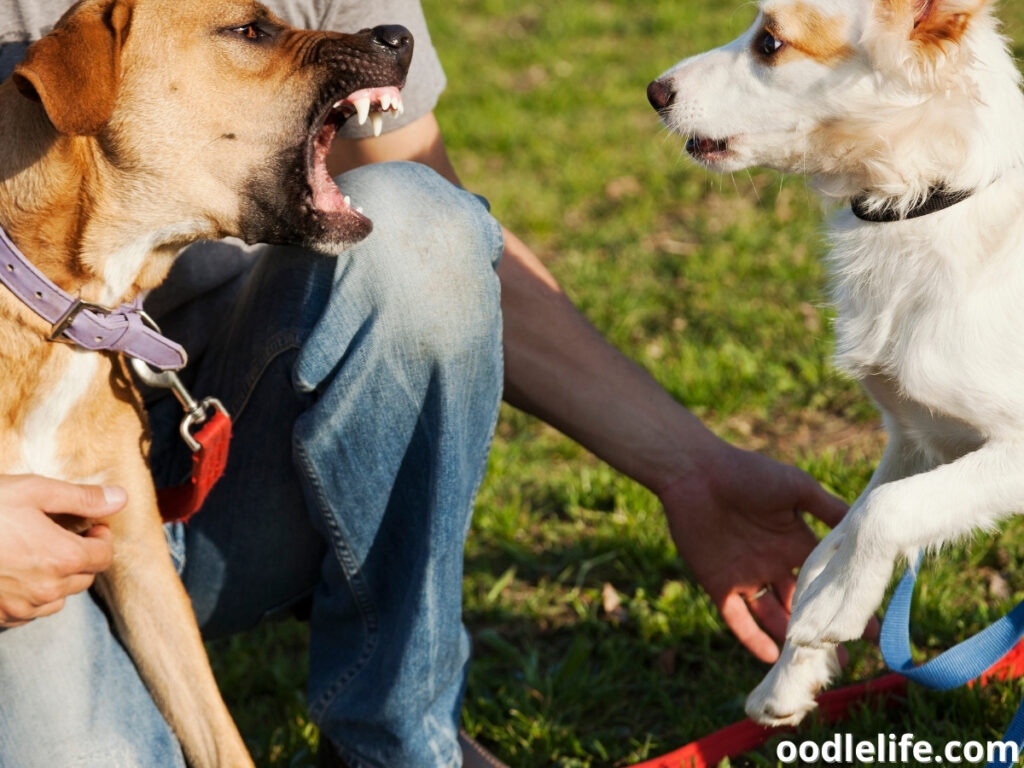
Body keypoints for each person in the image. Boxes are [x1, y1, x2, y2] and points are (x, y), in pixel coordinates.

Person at [0, 1, 848, 766]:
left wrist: (687, 465)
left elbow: (443, 243)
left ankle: (399, 744)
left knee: (418, 222)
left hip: (226, 466)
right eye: (252, 34)